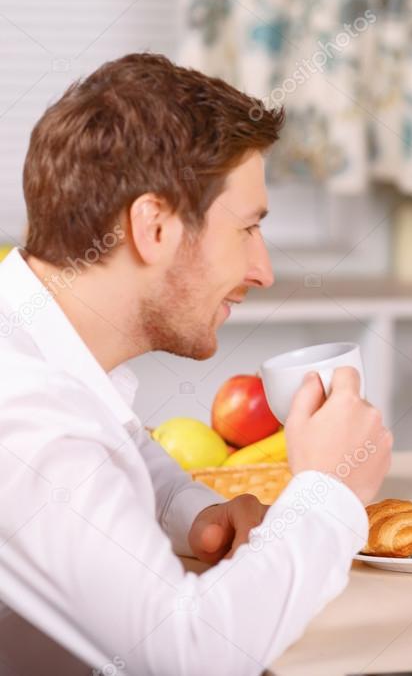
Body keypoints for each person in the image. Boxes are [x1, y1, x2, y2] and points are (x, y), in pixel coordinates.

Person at [0, 53, 392, 674]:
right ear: (154, 226)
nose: (263, 271)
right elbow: (190, 656)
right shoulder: (26, 413)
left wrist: (197, 515)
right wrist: (331, 491)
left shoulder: (32, 351)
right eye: (246, 230)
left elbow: (116, 448)